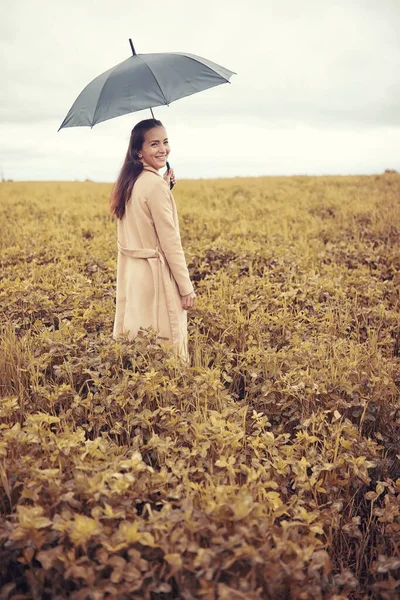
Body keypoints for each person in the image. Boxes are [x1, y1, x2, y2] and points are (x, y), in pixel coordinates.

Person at [110, 118, 196, 362]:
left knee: (139, 345)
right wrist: (185, 287)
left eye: (166, 142)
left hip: (134, 277)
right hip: (156, 278)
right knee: (167, 351)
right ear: (139, 152)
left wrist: (164, 187)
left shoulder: (129, 183)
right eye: (154, 144)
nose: (163, 149)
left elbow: (142, 219)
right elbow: (171, 243)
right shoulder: (154, 186)